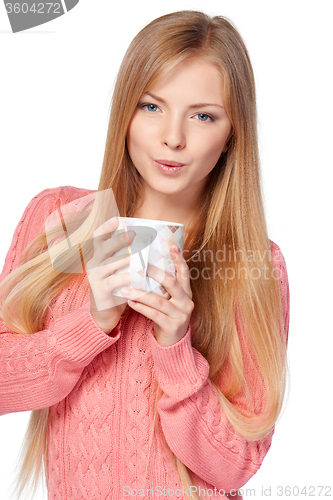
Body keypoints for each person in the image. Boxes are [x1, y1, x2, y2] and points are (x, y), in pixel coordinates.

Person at [0, 10, 290, 500]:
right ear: (125, 111)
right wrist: (91, 324)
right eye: (152, 107)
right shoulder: (61, 220)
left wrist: (177, 348)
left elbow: (238, 464)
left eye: (203, 115)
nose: (172, 137)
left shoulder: (252, 262)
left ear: (231, 134)